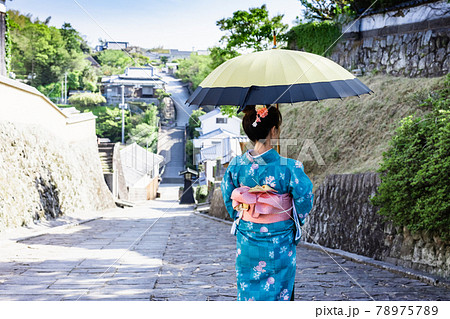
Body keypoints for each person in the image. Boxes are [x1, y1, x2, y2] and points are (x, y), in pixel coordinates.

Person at [221, 104, 314, 301]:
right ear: (273, 130)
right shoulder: (290, 167)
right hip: (279, 239)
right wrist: (296, 221)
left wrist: (243, 214)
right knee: (278, 291)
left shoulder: (236, 166)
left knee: (248, 290)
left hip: (247, 235)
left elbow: (228, 196)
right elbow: (304, 198)